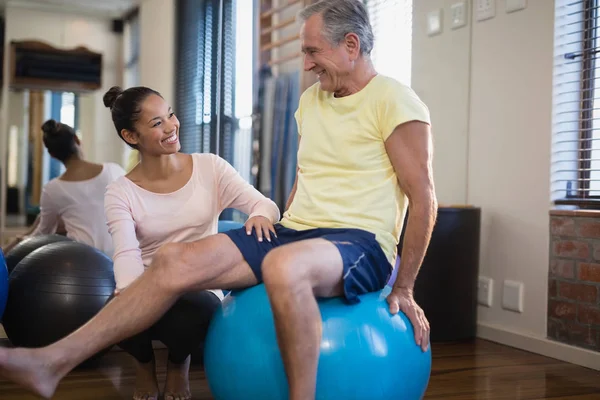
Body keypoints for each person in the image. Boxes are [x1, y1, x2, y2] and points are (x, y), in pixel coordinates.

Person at [0, 1, 437, 399]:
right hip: (298, 231)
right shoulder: (312, 101)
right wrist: (283, 221)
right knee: (171, 260)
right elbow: (307, 178)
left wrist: (404, 286)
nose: (305, 65)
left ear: (351, 45)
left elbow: (423, 198)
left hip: (359, 242)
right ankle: (51, 362)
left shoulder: (395, 100)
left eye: (311, 52)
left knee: (285, 266)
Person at [105, 85, 280, 400]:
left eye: (170, 114)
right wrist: (130, 295)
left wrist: (261, 216)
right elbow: (126, 252)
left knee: (195, 311)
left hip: (197, 290)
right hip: (149, 285)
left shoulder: (209, 167)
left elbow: (265, 204)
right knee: (113, 309)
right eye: (157, 123)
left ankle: (178, 362)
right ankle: (143, 365)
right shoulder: (121, 191)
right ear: (131, 136)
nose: (172, 126)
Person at [2, 119, 125, 256]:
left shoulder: (52, 189)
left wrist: (18, 240)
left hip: (86, 262)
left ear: (52, 154)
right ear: (77, 139)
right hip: (122, 256)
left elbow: (42, 233)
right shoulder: (114, 170)